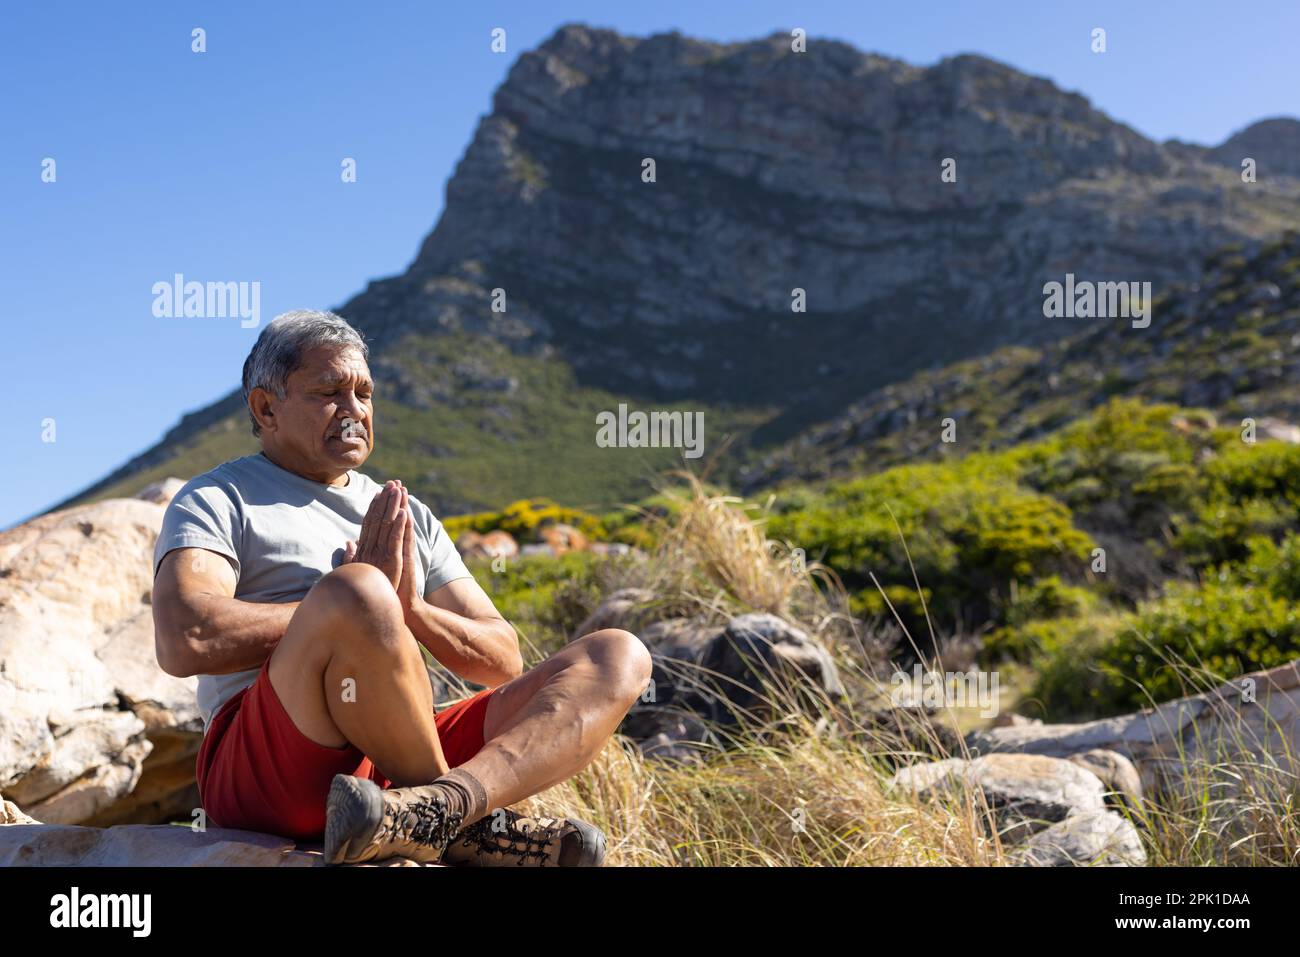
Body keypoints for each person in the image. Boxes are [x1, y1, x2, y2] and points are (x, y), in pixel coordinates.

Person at [151, 310, 652, 865]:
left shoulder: (405, 511)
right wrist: (349, 607)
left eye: (364, 393)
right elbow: (185, 637)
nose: (354, 411)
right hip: (268, 765)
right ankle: (469, 831)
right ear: (266, 407)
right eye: (330, 392)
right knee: (358, 591)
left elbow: (501, 658)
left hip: (394, 770)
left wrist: (410, 608)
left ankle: (443, 808)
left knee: (617, 655)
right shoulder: (218, 499)